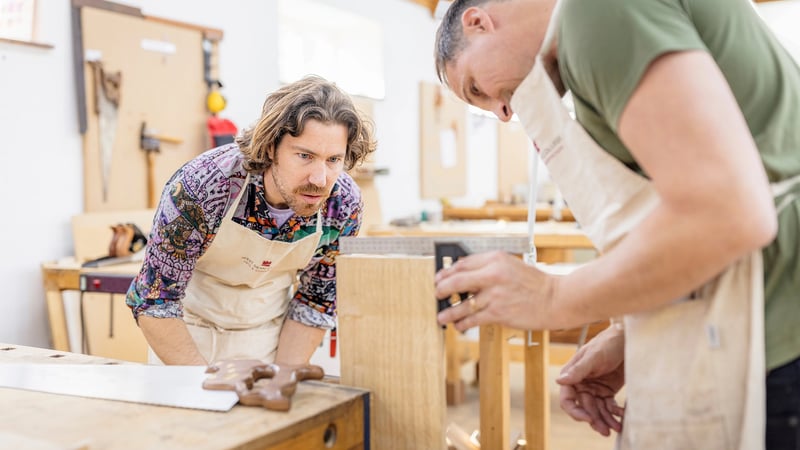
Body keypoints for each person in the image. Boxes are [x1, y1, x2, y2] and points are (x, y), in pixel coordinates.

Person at [432, 0, 800, 448]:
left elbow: (729, 213)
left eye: (476, 88)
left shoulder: (598, 13)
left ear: (478, 23)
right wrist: (626, 337)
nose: (502, 113)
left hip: (779, 333)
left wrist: (554, 297)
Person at [125, 75, 376, 367]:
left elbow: (315, 302)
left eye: (333, 160)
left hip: (268, 343)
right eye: (305, 156)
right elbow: (154, 300)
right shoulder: (206, 186)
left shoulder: (342, 205)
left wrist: (280, 378)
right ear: (271, 147)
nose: (319, 179)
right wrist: (203, 385)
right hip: (185, 341)